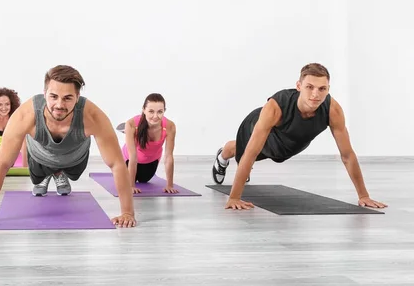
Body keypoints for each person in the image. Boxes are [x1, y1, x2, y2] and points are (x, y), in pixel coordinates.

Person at [0, 65, 136, 228]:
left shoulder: (93, 117)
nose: (59, 104)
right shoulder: (25, 115)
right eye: (53, 96)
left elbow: (117, 164)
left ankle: (59, 172)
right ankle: (50, 173)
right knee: (38, 177)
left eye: (68, 98)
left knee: (71, 170)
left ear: (77, 97)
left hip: (75, 160)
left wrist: (127, 213)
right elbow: (1, 164)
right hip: (40, 159)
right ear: (44, 93)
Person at [212, 63, 387, 211]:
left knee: (273, 154)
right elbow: (251, 151)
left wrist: (364, 196)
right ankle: (224, 155)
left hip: (291, 143)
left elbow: (347, 155)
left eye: (322, 89)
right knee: (246, 153)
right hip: (257, 129)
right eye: (309, 87)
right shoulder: (275, 107)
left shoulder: (333, 110)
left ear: (328, 89)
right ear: (298, 86)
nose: (315, 94)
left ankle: (235, 153)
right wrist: (234, 197)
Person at [121, 93, 178, 194]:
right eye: (151, 111)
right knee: (125, 181)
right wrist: (131, 186)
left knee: (143, 180)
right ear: (144, 110)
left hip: (150, 160)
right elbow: (133, 156)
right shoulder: (131, 124)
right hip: (128, 159)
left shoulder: (170, 126)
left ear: (164, 111)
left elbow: (169, 156)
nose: (155, 116)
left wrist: (169, 185)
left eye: (160, 112)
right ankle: (127, 132)